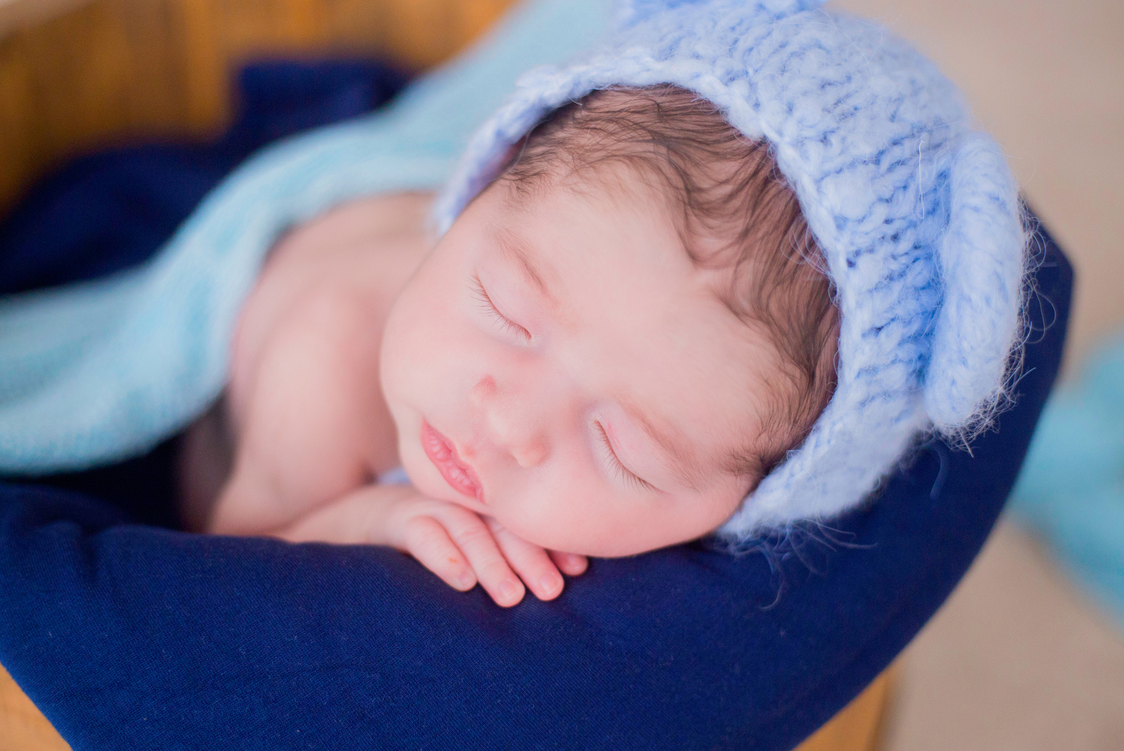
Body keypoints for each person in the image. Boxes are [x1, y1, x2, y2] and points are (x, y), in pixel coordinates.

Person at [178, 86, 840, 607]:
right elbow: (220, 570)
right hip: (317, 276)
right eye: (505, 312)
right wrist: (371, 523)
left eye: (621, 449)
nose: (507, 422)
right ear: (474, 196)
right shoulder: (325, 363)